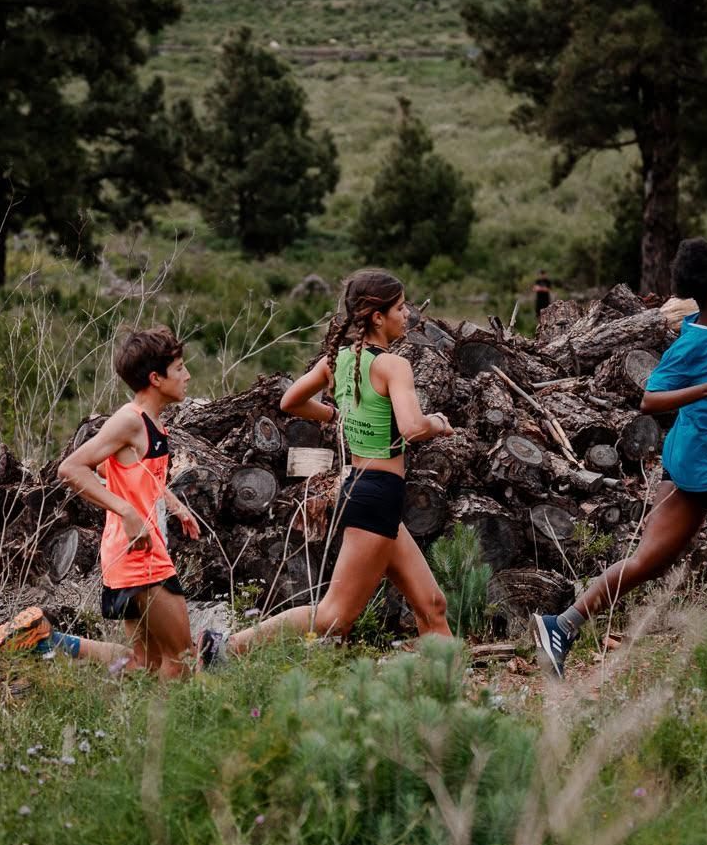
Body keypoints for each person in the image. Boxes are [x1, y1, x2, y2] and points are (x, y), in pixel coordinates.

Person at [530, 238, 707, 679]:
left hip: (687, 464)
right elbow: (650, 399)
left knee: (650, 561)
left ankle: (561, 625)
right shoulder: (691, 343)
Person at [217, 269, 458, 658]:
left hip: (368, 492)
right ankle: (226, 648)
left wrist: (332, 414)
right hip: (375, 496)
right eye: (400, 307)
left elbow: (291, 401)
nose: (407, 314)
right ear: (377, 316)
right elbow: (413, 428)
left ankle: (446, 686)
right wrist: (437, 423)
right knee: (333, 617)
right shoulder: (393, 366)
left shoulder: (339, 360)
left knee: (432, 605)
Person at [54, 326, 204, 678]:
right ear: (156, 378)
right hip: (140, 556)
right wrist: (126, 511)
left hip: (127, 554)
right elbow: (71, 468)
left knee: (145, 665)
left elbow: (116, 470)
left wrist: (175, 505)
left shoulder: (150, 422)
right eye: (179, 368)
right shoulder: (129, 420)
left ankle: (49, 640)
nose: (187, 375)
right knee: (182, 662)